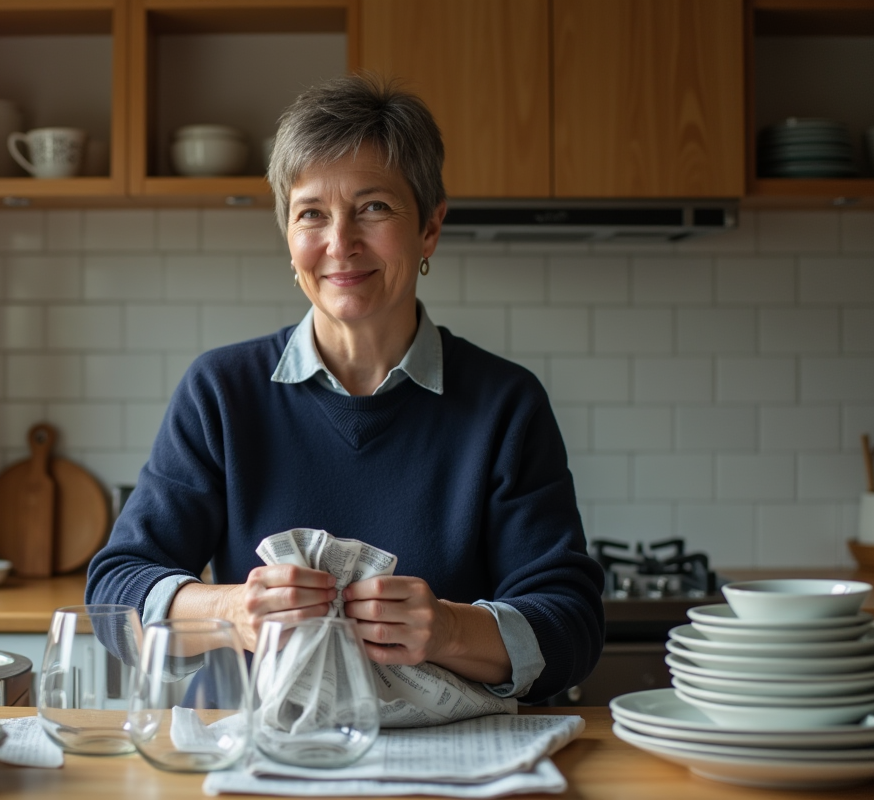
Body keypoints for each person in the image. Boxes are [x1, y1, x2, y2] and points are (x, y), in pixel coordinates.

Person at [86, 74, 604, 704]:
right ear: (288, 236)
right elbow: (114, 591)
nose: (340, 244)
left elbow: (573, 626)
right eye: (312, 214)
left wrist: (446, 629)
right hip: (259, 763)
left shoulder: (506, 405)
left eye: (373, 208)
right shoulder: (221, 392)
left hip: (453, 769)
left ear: (430, 229)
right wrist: (234, 610)